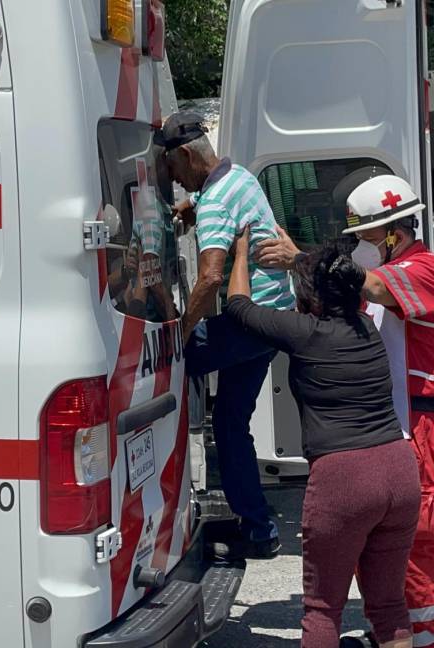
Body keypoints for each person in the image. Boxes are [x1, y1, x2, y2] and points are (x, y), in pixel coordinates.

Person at [256, 175, 434, 648]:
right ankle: (398, 635)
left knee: (418, 541)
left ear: (394, 235)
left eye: (365, 238)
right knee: (380, 543)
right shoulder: (397, 269)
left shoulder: (427, 270)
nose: (358, 247)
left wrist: (301, 257)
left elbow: (371, 286)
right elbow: (342, 293)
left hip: (424, 423)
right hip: (394, 428)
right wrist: (306, 261)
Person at [225, 229, 420, 648]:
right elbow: (336, 277)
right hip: (399, 470)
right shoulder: (367, 325)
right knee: (388, 606)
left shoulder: (306, 331)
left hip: (344, 478)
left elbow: (239, 307)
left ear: (311, 299)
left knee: (323, 609)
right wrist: (305, 259)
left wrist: (239, 252)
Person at [154, 111, 296, 558]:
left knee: (164, 360)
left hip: (247, 320)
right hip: (273, 319)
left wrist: (180, 332)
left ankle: (161, 492)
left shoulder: (215, 202)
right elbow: (226, 209)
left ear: (183, 155)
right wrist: (190, 209)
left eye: (174, 172)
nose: (175, 183)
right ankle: (258, 530)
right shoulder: (239, 178)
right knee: (231, 423)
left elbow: (211, 277)